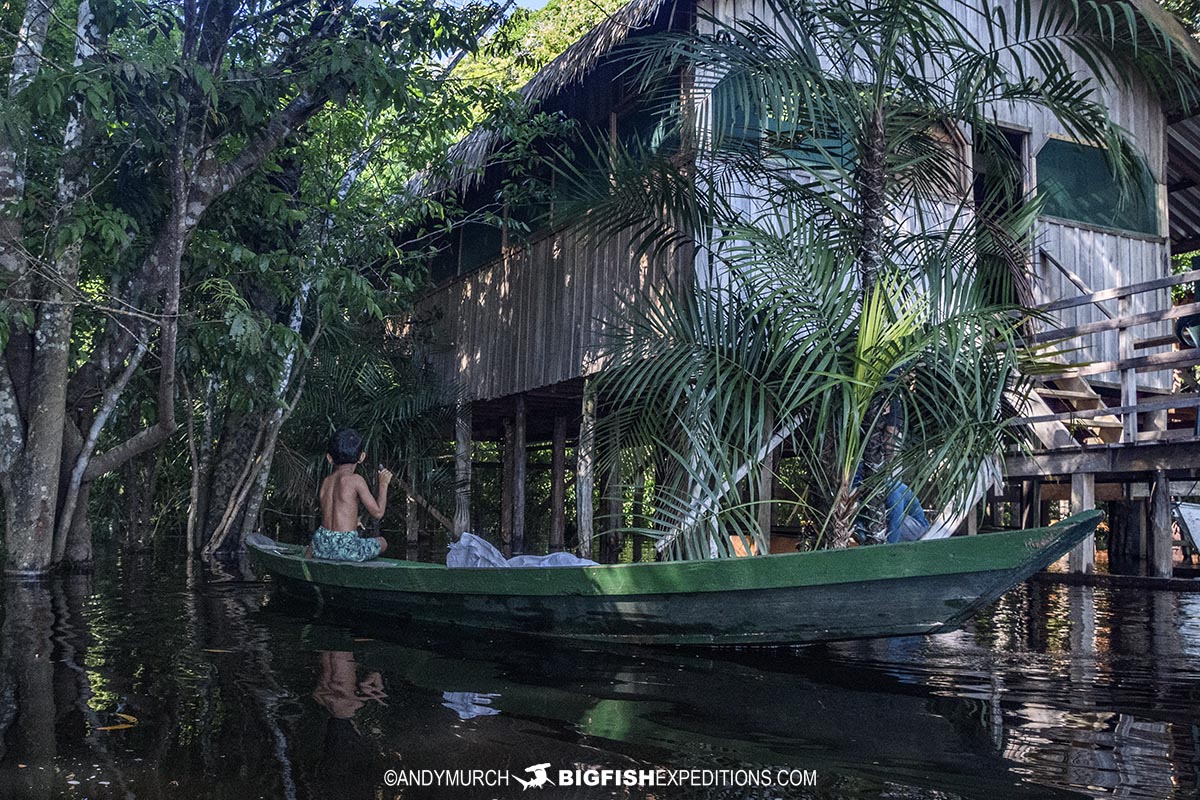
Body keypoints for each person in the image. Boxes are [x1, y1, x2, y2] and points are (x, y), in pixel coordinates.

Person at [306, 429, 391, 561]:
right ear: (361, 457)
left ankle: (307, 561)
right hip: (346, 548)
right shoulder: (356, 480)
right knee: (382, 542)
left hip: (321, 544)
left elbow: (333, 512)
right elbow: (378, 513)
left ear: (329, 458)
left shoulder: (327, 481)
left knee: (315, 542)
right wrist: (383, 484)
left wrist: (354, 520)